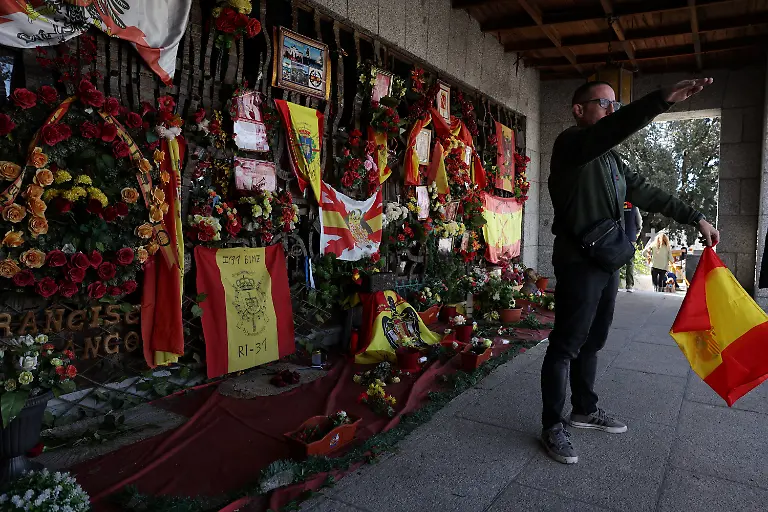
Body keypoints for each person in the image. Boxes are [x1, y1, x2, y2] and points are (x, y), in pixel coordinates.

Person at [542, 79, 720, 465]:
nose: (612, 110)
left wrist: (696, 217)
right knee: (566, 345)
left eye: (615, 103)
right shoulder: (571, 144)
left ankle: (584, 410)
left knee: (594, 340)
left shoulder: (612, 162)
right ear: (579, 109)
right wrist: (660, 100)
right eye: (604, 103)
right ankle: (552, 426)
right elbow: (612, 129)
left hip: (605, 260)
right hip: (578, 261)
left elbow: (649, 192)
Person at [622, 203, 642, 292]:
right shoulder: (634, 206)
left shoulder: (618, 204)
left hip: (619, 236)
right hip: (631, 236)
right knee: (630, 262)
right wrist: (636, 232)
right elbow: (639, 222)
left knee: (616, 259)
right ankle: (629, 285)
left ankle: (614, 284)